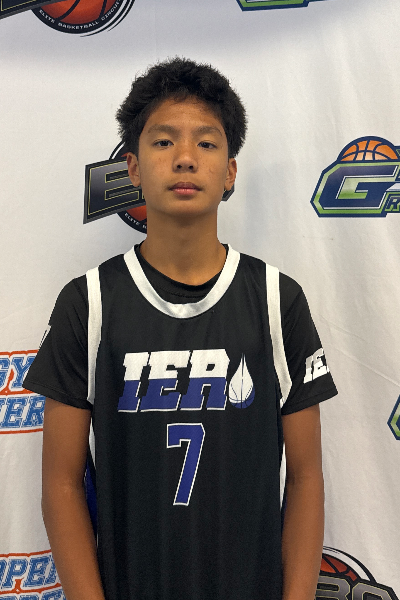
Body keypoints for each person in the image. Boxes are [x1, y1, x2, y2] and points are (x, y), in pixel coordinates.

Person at [24, 57, 337, 600]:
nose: (186, 157)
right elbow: (61, 484)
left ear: (230, 172)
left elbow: (306, 476)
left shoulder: (276, 299)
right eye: (164, 141)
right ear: (132, 167)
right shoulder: (89, 303)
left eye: (207, 143)